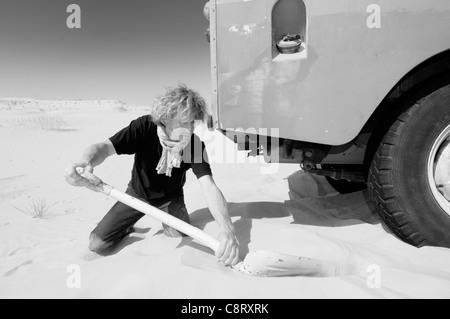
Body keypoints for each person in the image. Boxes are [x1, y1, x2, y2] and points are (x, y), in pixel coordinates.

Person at [64, 84, 240, 266]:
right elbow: (104, 148)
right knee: (96, 244)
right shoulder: (144, 127)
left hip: (171, 199)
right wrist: (86, 161)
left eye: (192, 123)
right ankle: (126, 228)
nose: (188, 129)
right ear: (165, 117)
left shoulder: (194, 145)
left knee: (177, 236)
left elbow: (208, 186)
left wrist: (227, 230)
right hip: (136, 195)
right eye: (182, 122)